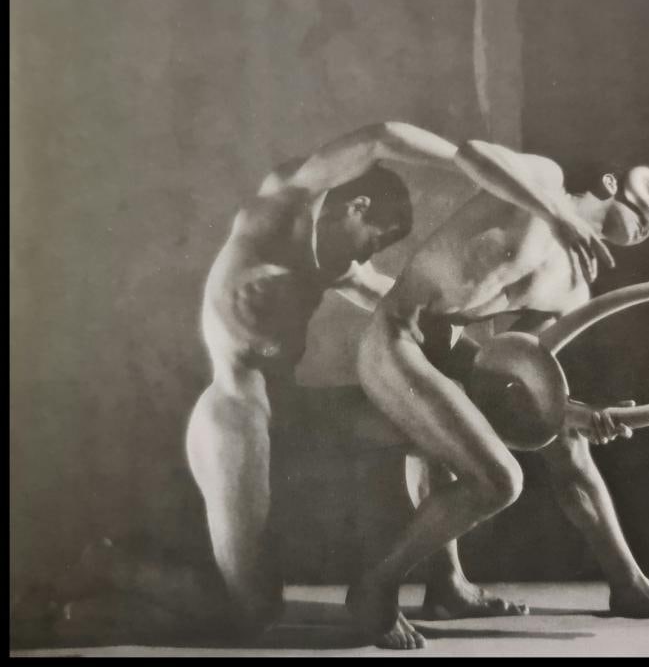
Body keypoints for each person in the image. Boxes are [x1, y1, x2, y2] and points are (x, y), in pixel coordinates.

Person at [12, 122, 604, 646]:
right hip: (233, 414)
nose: (373, 252)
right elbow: (382, 136)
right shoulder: (282, 207)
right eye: (377, 235)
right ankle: (110, 577)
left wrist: (553, 404)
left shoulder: (339, 266)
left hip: (289, 408)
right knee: (251, 613)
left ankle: (432, 581)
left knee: (430, 420)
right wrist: (464, 163)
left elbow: (430, 330)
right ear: (356, 205)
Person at [347, 140, 649, 649]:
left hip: (457, 355)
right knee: (499, 480)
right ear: (609, 185)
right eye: (643, 209)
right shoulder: (540, 181)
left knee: (569, 446)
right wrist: (557, 214)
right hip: (398, 337)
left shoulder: (575, 286)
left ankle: (627, 585)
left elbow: (518, 375)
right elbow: (471, 153)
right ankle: (375, 585)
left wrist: (581, 415)